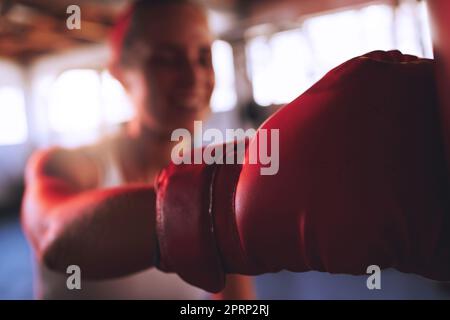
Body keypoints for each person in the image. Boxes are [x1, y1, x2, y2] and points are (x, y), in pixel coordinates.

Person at [22, 0, 255, 299]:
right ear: (121, 74)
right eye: (166, 59)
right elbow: (55, 238)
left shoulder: (210, 181)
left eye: (203, 56)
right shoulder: (68, 165)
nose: (192, 76)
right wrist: (217, 209)